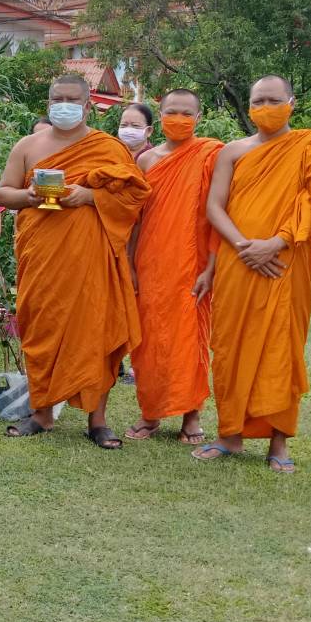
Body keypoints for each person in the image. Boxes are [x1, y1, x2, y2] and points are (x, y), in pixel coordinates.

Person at [0, 76, 149, 449]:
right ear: (48, 103)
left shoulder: (108, 148)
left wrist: (90, 196)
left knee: (97, 331)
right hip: (42, 257)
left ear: (87, 106)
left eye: (72, 99)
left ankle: (98, 421)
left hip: (91, 259)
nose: (63, 105)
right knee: (42, 329)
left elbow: (134, 197)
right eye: (57, 99)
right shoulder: (28, 146)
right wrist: (29, 196)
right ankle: (42, 413)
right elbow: (3, 193)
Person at [200, 75, 311, 471]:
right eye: (258, 100)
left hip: (285, 262)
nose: (265, 107)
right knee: (231, 345)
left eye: (274, 100)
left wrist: (275, 243)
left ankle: (279, 443)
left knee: (282, 348)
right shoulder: (233, 151)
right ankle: (229, 435)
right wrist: (246, 247)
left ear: (292, 103)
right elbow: (214, 207)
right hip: (237, 260)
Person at [124, 91, 222, 444]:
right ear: (160, 115)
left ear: (199, 117)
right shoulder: (147, 160)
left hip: (192, 262)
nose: (178, 119)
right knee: (150, 339)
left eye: (186, 113)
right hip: (151, 261)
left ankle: (191, 416)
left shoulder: (211, 154)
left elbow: (219, 212)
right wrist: (129, 263)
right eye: (171, 112)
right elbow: (136, 219)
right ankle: (150, 413)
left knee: (190, 340)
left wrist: (211, 268)